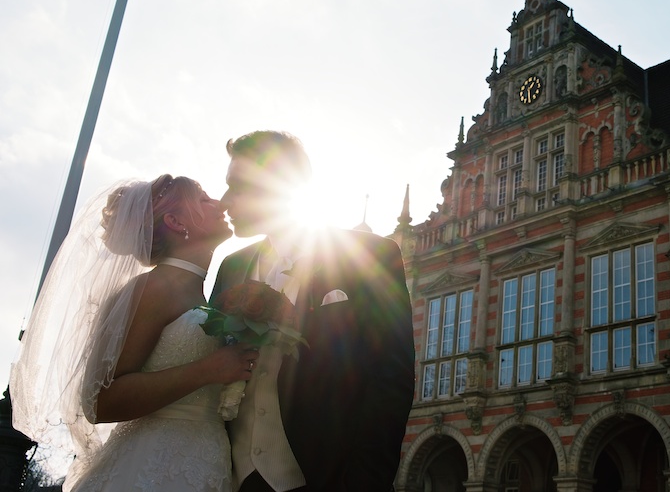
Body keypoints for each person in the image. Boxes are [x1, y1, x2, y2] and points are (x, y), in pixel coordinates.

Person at [10, 175, 260, 492]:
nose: (220, 203)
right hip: (151, 465)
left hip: (206, 460)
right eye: (204, 199)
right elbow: (101, 402)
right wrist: (208, 370)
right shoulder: (151, 289)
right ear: (175, 220)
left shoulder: (201, 292)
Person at [212, 130, 415, 492]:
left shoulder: (370, 255)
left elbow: (389, 381)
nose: (224, 201)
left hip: (320, 477)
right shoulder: (231, 266)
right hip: (230, 476)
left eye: (236, 186)